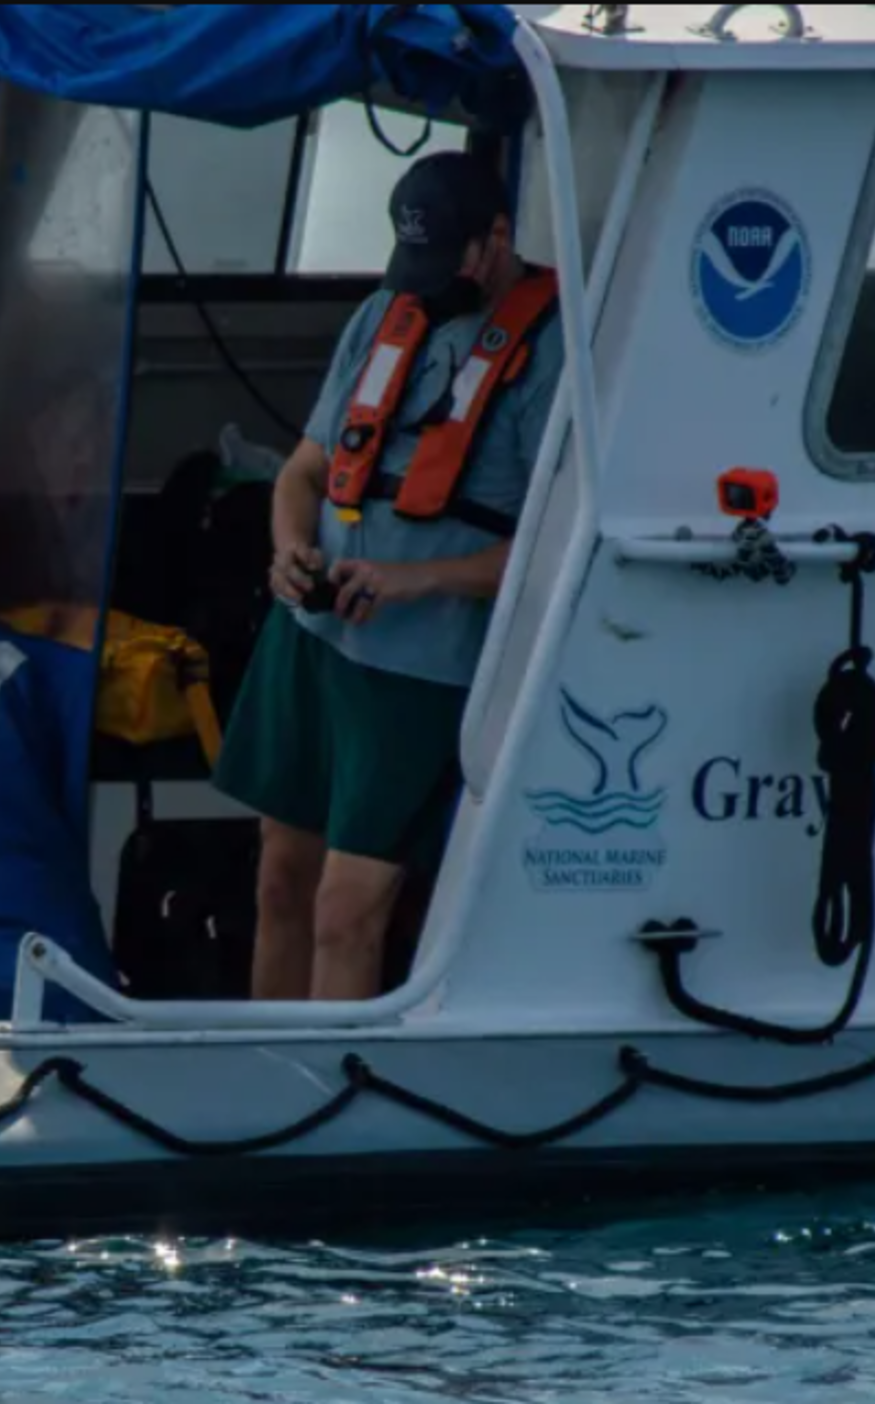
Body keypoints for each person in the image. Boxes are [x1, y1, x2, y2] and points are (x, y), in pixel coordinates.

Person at [212, 149, 567, 1002]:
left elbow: (556, 553)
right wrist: (288, 549)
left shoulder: (555, 352)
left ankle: (337, 1111)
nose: (426, 284)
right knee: (279, 882)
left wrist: (414, 581)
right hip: (309, 644)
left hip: (419, 677)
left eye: (448, 263)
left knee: (346, 911)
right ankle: (269, 1089)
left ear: (497, 238)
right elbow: (303, 470)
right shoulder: (383, 313)